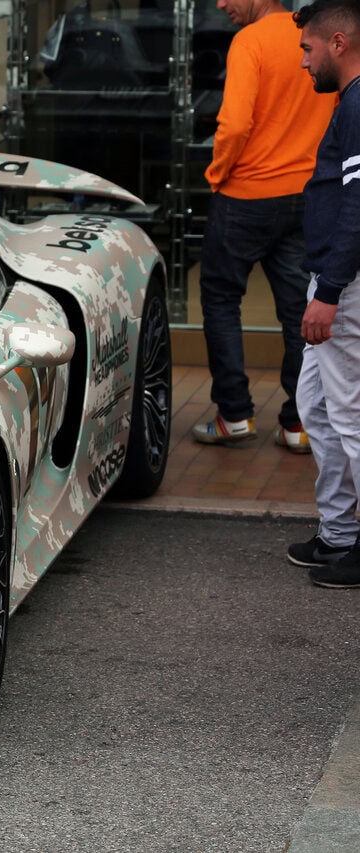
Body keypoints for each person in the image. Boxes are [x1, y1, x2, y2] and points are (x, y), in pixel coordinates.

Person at [191, 0, 336, 450]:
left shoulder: (250, 41)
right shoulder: (313, 36)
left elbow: (234, 124)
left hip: (245, 195)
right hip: (304, 195)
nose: (219, 4)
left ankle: (234, 415)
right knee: (298, 311)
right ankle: (298, 423)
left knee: (219, 299)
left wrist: (217, 174)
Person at [290, 0, 360, 587]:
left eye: (309, 49)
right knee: (315, 405)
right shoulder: (350, 100)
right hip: (333, 278)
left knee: (351, 413)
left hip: (347, 284)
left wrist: (331, 289)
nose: (304, 62)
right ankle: (340, 534)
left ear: (339, 42)